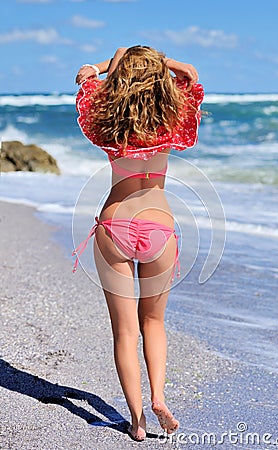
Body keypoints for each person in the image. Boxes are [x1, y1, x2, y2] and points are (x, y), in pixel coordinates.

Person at [74, 45, 204, 441]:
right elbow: (191, 76)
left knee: (125, 330)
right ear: (158, 79)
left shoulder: (106, 121)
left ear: (122, 78)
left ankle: (136, 420)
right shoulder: (174, 118)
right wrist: (165, 62)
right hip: (159, 229)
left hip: (115, 226)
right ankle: (159, 397)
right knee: (154, 322)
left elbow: (85, 79)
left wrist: (104, 64)